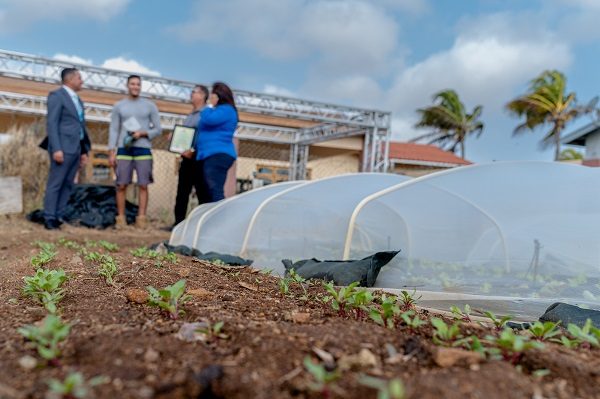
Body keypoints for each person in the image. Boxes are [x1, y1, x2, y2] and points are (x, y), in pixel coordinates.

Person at [108, 75, 161, 228]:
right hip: (124, 148)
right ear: (127, 85)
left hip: (143, 148)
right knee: (121, 184)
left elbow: (158, 129)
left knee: (143, 184)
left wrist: (143, 133)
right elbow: (114, 129)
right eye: (133, 84)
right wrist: (111, 151)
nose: (135, 87)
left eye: (138, 84)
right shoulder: (119, 106)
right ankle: (121, 219)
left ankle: (141, 219)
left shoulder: (150, 106)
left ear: (141, 86)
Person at [41, 67, 91, 230]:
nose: (82, 81)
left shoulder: (79, 100)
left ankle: (59, 216)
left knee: (68, 183)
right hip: (62, 147)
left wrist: (84, 151)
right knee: (56, 182)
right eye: (79, 78)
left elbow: (81, 127)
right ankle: (49, 217)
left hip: (76, 148)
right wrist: (56, 148)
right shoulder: (57, 96)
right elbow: (52, 123)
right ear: (70, 79)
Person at [194, 82, 238, 204]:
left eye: (212, 94)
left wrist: (209, 106)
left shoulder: (227, 110)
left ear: (219, 96)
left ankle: (219, 220)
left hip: (218, 154)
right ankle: (207, 219)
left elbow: (209, 120)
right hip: (207, 155)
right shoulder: (217, 110)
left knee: (214, 189)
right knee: (205, 190)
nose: (210, 97)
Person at [173, 85, 209, 226]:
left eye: (194, 92)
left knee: (202, 193)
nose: (191, 94)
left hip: (199, 159)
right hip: (186, 159)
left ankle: (203, 224)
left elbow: (203, 136)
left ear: (202, 96)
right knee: (182, 192)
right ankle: (178, 224)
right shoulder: (190, 115)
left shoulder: (206, 114)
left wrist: (194, 150)